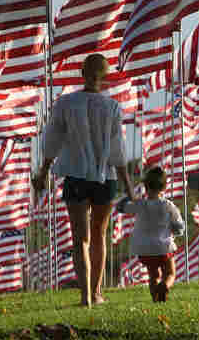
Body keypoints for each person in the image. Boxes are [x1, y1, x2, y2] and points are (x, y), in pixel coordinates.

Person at [32, 53, 134, 308]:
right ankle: (97, 292)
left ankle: (85, 296)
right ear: (105, 77)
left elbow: (51, 141)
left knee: (81, 238)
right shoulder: (111, 107)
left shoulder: (65, 103)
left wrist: (43, 172)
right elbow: (117, 150)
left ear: (82, 74)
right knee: (99, 235)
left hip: (75, 175)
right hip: (105, 179)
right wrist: (128, 186)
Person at [116, 167, 185, 303]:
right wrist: (174, 231)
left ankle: (156, 300)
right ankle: (164, 286)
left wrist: (129, 196)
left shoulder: (140, 204)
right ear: (164, 187)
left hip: (145, 249)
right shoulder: (168, 205)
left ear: (146, 186)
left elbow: (120, 208)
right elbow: (179, 227)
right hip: (163, 247)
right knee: (170, 273)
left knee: (153, 276)